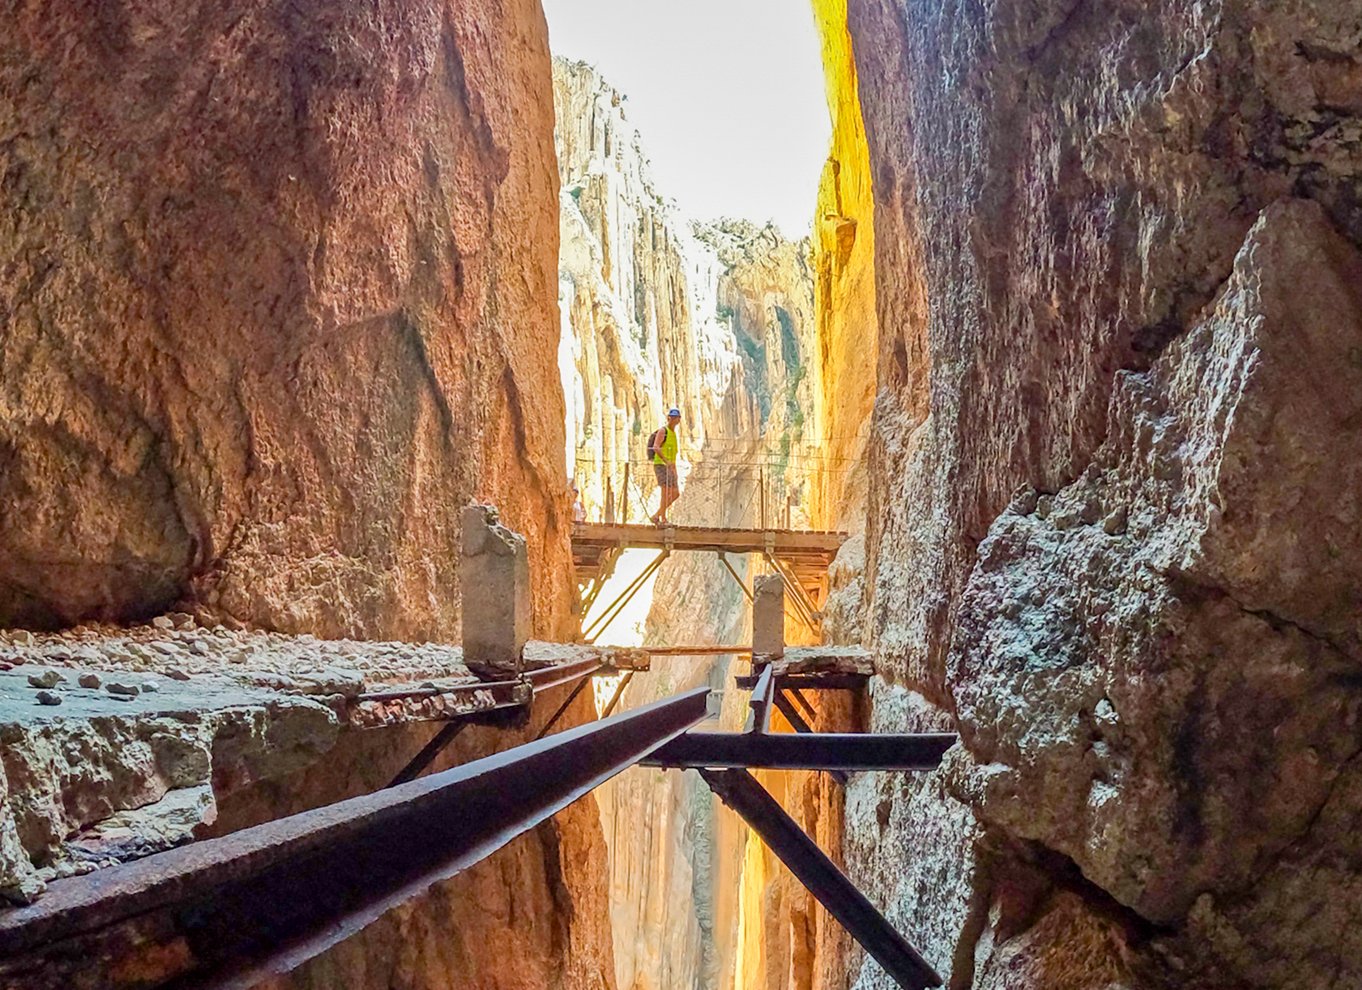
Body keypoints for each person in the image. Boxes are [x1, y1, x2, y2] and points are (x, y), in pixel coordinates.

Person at [647, 407, 682, 525]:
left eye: (676, 418)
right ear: (669, 418)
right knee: (665, 491)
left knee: (675, 493)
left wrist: (674, 470)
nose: (674, 420)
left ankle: (657, 515)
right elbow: (656, 447)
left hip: (669, 466)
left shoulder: (673, 434)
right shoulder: (664, 431)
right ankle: (663, 519)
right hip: (661, 465)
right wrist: (666, 461)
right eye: (672, 417)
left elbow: (674, 455)